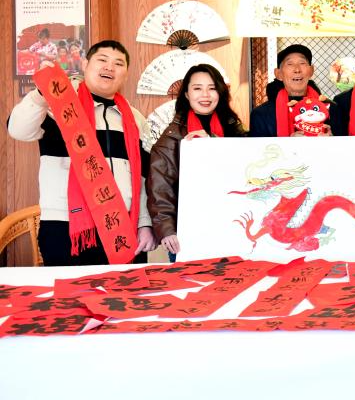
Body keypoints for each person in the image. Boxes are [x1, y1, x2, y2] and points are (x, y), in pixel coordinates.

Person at [6, 40, 156, 266]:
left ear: (125, 74)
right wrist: (40, 94)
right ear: (85, 64)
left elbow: (145, 177)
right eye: (102, 60)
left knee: (123, 289)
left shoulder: (135, 119)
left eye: (118, 63)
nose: (109, 67)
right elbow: (18, 130)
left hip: (122, 226)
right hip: (66, 226)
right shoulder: (59, 105)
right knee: (69, 290)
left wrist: (144, 223)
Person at [148, 64, 246, 262]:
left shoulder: (234, 129)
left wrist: (212, 142)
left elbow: (245, 170)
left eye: (212, 88)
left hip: (233, 227)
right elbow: (160, 187)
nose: (205, 95)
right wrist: (167, 230)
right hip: (190, 232)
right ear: (186, 94)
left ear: (220, 92)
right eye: (197, 88)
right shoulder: (172, 137)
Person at [249, 44, 329, 137]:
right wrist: (289, 143)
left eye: (302, 63)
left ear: (311, 71)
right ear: (278, 74)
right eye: (290, 64)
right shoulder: (261, 115)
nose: (297, 70)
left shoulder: (330, 109)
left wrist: (332, 139)